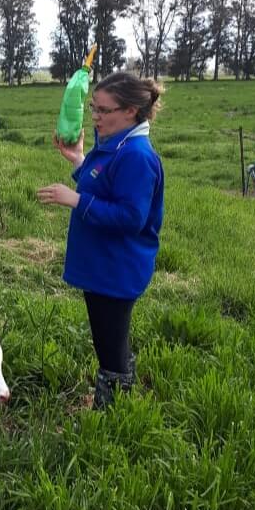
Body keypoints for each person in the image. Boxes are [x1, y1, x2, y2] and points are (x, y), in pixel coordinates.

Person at [37, 72, 165, 409]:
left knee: (109, 345)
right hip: (103, 266)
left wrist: (76, 200)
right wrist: (79, 160)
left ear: (131, 111)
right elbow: (104, 184)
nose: (95, 117)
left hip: (116, 270)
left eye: (103, 111)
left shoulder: (136, 155)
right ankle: (122, 390)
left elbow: (131, 218)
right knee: (112, 338)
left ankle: (111, 416)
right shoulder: (117, 145)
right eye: (94, 108)